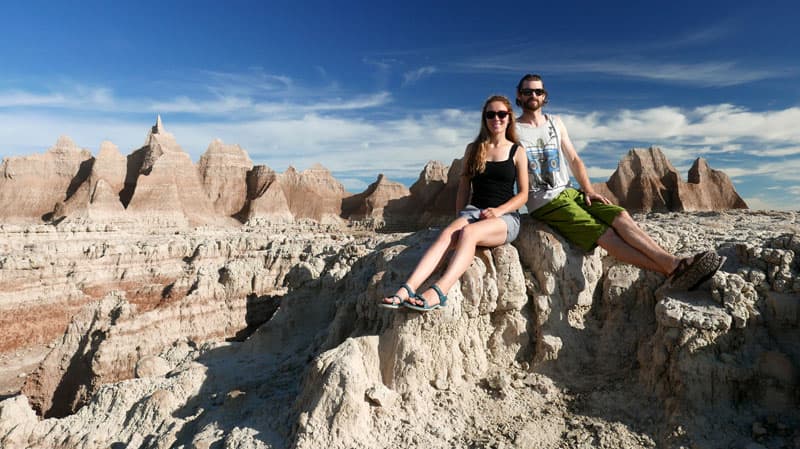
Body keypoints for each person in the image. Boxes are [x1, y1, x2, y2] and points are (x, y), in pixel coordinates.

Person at [514, 73, 724, 290]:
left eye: (538, 91)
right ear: (519, 96)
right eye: (527, 91)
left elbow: (574, 159)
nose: (533, 95)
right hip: (545, 201)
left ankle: (673, 264)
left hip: (569, 192)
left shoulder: (555, 122)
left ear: (544, 95)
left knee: (620, 215)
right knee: (604, 233)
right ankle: (673, 267)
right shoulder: (512, 129)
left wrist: (587, 189)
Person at [380, 95, 529, 311]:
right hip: (473, 212)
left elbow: (523, 194)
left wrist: (499, 211)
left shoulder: (518, 151)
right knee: (447, 235)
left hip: (505, 218)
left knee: (469, 234)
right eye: (490, 114)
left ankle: (439, 291)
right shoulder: (474, 149)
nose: (496, 118)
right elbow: (463, 187)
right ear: (484, 119)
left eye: (501, 114)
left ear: (509, 118)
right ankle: (406, 290)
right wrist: (460, 216)